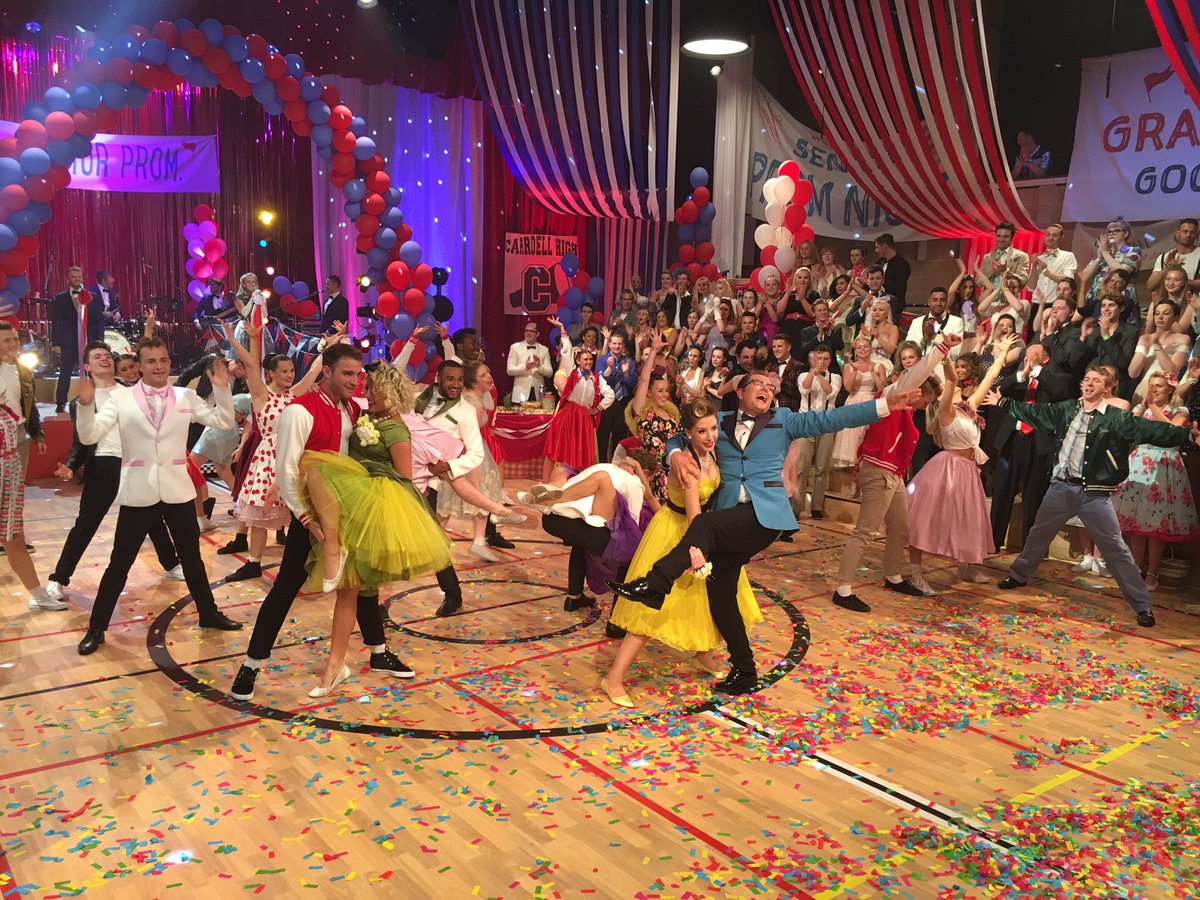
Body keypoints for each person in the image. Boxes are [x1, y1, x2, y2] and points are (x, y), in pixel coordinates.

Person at [609, 373, 919, 695]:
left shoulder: (784, 420)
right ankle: (745, 671)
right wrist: (674, 454)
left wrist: (884, 405)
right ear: (741, 391)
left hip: (763, 515)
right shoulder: (719, 422)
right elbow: (678, 437)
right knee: (720, 595)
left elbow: (834, 418)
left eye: (771, 387)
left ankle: (656, 583)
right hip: (729, 521)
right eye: (759, 384)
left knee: (702, 525)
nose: (767, 389)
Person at [230, 343, 412, 699]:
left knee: (359, 583)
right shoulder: (300, 411)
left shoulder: (353, 409)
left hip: (349, 511)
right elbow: (285, 469)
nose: (354, 381)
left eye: (358, 375)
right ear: (325, 371)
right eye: (347, 373)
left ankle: (378, 652)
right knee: (286, 587)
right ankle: (251, 664)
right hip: (312, 515)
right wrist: (305, 517)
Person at [73, 337, 243, 655]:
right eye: (151, 361)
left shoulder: (185, 396)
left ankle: (208, 613)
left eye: (164, 360)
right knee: (119, 563)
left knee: (192, 559)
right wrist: (84, 406)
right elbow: (89, 435)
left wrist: (222, 388)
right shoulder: (121, 399)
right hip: (138, 492)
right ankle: (96, 627)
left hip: (178, 490)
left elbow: (222, 421)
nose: (159, 366)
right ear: (139, 365)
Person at [995, 365, 1200, 627]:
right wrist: (1003, 402)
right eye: (1087, 379)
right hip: (1060, 488)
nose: (1090, 383)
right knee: (1038, 534)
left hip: (1094, 495)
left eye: (1096, 381)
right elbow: (1035, 413)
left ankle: (1142, 605)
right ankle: (1019, 574)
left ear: (1106, 388)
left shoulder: (1115, 417)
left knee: (1116, 549)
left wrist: (1187, 434)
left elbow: (1149, 429)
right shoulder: (1066, 409)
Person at [299, 364, 453, 696]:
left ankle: (337, 666)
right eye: (366, 388)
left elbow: (404, 479)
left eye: (373, 389)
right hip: (354, 508)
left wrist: (370, 492)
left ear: (391, 393)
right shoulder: (368, 419)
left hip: (375, 509)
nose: (366, 394)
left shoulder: (395, 429)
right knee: (353, 591)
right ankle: (358, 658)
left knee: (351, 589)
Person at [600, 398, 761, 706]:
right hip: (679, 531)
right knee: (653, 610)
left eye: (713, 428)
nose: (710, 436)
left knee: (707, 597)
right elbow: (693, 516)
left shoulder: (711, 451)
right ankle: (614, 677)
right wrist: (697, 549)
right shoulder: (688, 465)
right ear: (688, 432)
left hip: (702, 529)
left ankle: (703, 653)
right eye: (702, 431)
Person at [830, 334, 963, 613]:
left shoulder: (904, 411)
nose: (926, 406)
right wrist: (941, 350)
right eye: (926, 401)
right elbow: (917, 374)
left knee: (901, 527)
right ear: (917, 392)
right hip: (878, 469)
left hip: (893, 474)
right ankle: (843, 588)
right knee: (865, 530)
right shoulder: (891, 396)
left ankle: (893, 576)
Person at [44, 341, 184, 602]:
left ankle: (172, 564)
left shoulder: (131, 393)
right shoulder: (81, 401)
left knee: (153, 518)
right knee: (86, 524)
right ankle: (58, 578)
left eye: (107, 355)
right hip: (103, 464)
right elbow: (80, 440)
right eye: (97, 356)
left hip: (136, 462)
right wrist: (71, 466)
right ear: (87, 366)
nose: (104, 359)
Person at [905, 336, 1017, 593]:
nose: (956, 388)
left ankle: (965, 567)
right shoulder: (946, 410)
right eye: (950, 387)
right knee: (925, 520)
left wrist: (1001, 355)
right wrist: (945, 357)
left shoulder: (969, 408)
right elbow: (952, 380)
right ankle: (916, 573)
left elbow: (988, 379)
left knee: (966, 520)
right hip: (948, 470)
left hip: (967, 472)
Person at [223, 319, 332, 582]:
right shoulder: (261, 394)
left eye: (291, 370)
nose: (290, 375)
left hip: (292, 456)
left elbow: (313, 372)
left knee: (300, 515)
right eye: (284, 371)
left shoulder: (293, 394)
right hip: (267, 460)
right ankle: (253, 562)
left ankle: (300, 565)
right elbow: (251, 365)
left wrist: (329, 346)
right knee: (259, 516)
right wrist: (244, 338)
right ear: (271, 373)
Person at [523, 452, 659, 614]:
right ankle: (616, 618)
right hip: (590, 524)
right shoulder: (635, 483)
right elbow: (631, 522)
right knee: (629, 557)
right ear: (645, 473)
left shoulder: (603, 466)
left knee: (581, 541)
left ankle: (574, 597)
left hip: (552, 519)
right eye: (650, 480)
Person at [1111, 373, 1200, 591]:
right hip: (1140, 464)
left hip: (1164, 465)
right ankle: (1134, 569)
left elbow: (1173, 431)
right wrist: (1144, 407)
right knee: (1137, 523)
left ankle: (1152, 572)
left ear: (1169, 389)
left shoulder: (1179, 410)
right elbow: (1128, 430)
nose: (1155, 390)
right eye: (1151, 386)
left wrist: (1154, 407)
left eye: (1159, 386)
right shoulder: (1142, 408)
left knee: (1156, 523)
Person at [988, 342, 1076, 551]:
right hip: (1012, 440)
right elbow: (997, 389)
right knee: (1002, 492)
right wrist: (1022, 374)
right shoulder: (1019, 378)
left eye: (1033, 353)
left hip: (1038, 443)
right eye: (1026, 353)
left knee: (1033, 496)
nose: (1027, 355)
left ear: (1045, 359)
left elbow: (1060, 391)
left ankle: (1031, 548)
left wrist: (1038, 372)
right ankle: (992, 541)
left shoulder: (1057, 378)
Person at [436, 360, 526, 562]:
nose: (489, 377)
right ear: (475, 381)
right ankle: (441, 543)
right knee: (457, 497)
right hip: (467, 452)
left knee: (473, 498)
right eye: (484, 374)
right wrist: (473, 468)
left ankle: (476, 541)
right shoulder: (472, 404)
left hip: (471, 450)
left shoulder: (475, 398)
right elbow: (468, 437)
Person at [0, 322, 55, 608]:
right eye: (6, 340)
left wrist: (37, 433)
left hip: (17, 438)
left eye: (15, 338)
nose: (13, 343)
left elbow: (29, 407)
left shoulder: (22, 371)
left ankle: (10, 533)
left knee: (13, 500)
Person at [626, 332, 681, 502]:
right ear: (649, 393)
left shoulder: (671, 414)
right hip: (652, 472)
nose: (665, 394)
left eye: (666, 390)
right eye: (660, 391)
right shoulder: (642, 412)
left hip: (673, 471)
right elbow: (644, 380)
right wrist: (653, 352)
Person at [791, 344, 842, 520]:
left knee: (822, 467)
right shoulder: (804, 375)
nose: (822, 362)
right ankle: (797, 507)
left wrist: (820, 375)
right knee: (801, 467)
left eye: (825, 359)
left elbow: (831, 393)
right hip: (806, 421)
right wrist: (813, 373)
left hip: (826, 422)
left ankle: (817, 506)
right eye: (819, 358)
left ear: (830, 360)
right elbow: (804, 389)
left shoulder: (835, 377)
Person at [51, 266, 106, 413]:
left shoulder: (93, 296)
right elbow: (56, 322)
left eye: (79, 276)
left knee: (92, 371)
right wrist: (56, 343)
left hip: (89, 341)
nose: (77, 279)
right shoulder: (61, 297)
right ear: (68, 279)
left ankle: (97, 399)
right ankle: (61, 402)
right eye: (74, 277)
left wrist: (100, 341)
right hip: (68, 341)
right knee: (65, 372)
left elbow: (99, 321)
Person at [831, 336, 886, 470]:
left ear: (871, 349)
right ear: (855, 351)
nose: (862, 350)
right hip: (854, 401)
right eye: (859, 348)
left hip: (870, 401)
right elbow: (848, 388)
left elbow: (881, 388)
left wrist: (872, 371)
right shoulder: (849, 367)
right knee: (852, 435)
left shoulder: (879, 366)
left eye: (865, 347)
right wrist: (855, 370)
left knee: (867, 435)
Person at [1079, 218, 1142, 324]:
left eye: (1116, 231)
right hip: (1097, 303)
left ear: (1126, 233)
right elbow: (1084, 275)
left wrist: (1104, 252)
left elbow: (1121, 272)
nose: (1112, 234)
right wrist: (1099, 258)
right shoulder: (1103, 254)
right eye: (1109, 232)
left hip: (1120, 302)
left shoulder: (1132, 251)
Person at [1129, 300, 1192, 401]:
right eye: (1157, 313)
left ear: (1175, 317)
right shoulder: (1145, 338)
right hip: (1144, 388)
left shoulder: (1182, 339)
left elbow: (1171, 372)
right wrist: (1144, 350)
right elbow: (1132, 373)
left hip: (1166, 390)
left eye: (1166, 313)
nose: (1160, 317)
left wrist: (1157, 346)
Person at [597, 331, 638, 462]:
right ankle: (602, 465)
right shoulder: (602, 360)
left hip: (622, 403)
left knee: (619, 437)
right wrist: (609, 370)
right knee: (602, 437)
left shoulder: (628, 361)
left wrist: (626, 374)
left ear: (623, 346)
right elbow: (598, 383)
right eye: (614, 343)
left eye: (620, 344)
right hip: (606, 403)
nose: (617, 346)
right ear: (609, 344)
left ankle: (617, 465)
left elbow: (634, 383)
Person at [1028, 223, 1078, 307]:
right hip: (1036, 303)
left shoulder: (1068, 256)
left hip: (1056, 304)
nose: (1050, 238)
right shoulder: (1039, 258)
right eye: (1048, 235)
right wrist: (1034, 267)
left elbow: (1069, 281)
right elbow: (1031, 287)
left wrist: (1047, 272)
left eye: (1055, 235)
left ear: (1061, 238)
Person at [1146, 218, 1200, 294]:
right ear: (1177, 233)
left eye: (1192, 232)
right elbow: (1150, 286)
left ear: (1197, 235)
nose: (1188, 235)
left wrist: (1181, 280)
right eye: (1185, 231)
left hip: (1192, 300)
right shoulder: (1164, 257)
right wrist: (1166, 269)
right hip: (1168, 300)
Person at [906, 287, 964, 353]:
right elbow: (907, 349)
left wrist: (935, 337)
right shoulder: (916, 322)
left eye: (942, 300)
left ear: (947, 302)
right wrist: (924, 340)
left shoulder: (956, 322)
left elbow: (957, 352)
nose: (938, 303)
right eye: (935, 300)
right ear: (929, 302)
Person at [506, 320, 552, 403]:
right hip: (520, 393)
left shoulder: (544, 349)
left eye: (531, 331)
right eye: (526, 330)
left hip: (538, 393)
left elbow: (550, 373)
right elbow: (509, 370)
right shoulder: (515, 348)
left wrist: (539, 366)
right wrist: (525, 366)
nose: (528, 333)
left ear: (537, 334)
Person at [981, 222, 1030, 290]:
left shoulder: (1021, 256)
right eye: (999, 236)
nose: (1001, 239)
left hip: (1009, 295)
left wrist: (1006, 272)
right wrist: (991, 272)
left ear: (1012, 238)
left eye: (1005, 236)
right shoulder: (987, 257)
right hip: (989, 296)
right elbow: (978, 282)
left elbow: (1023, 281)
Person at [873, 234, 910, 320]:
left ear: (885, 246)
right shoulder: (880, 262)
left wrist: (883, 281)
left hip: (893, 306)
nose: (876, 250)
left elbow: (900, 287)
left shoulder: (902, 264)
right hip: (877, 304)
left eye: (877, 247)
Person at [233, 272, 270, 355]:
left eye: (253, 282)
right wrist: (252, 300)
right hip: (246, 327)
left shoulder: (260, 296)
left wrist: (263, 303)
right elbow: (244, 314)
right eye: (248, 282)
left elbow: (265, 315)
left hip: (258, 326)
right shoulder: (239, 297)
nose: (251, 284)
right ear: (243, 284)